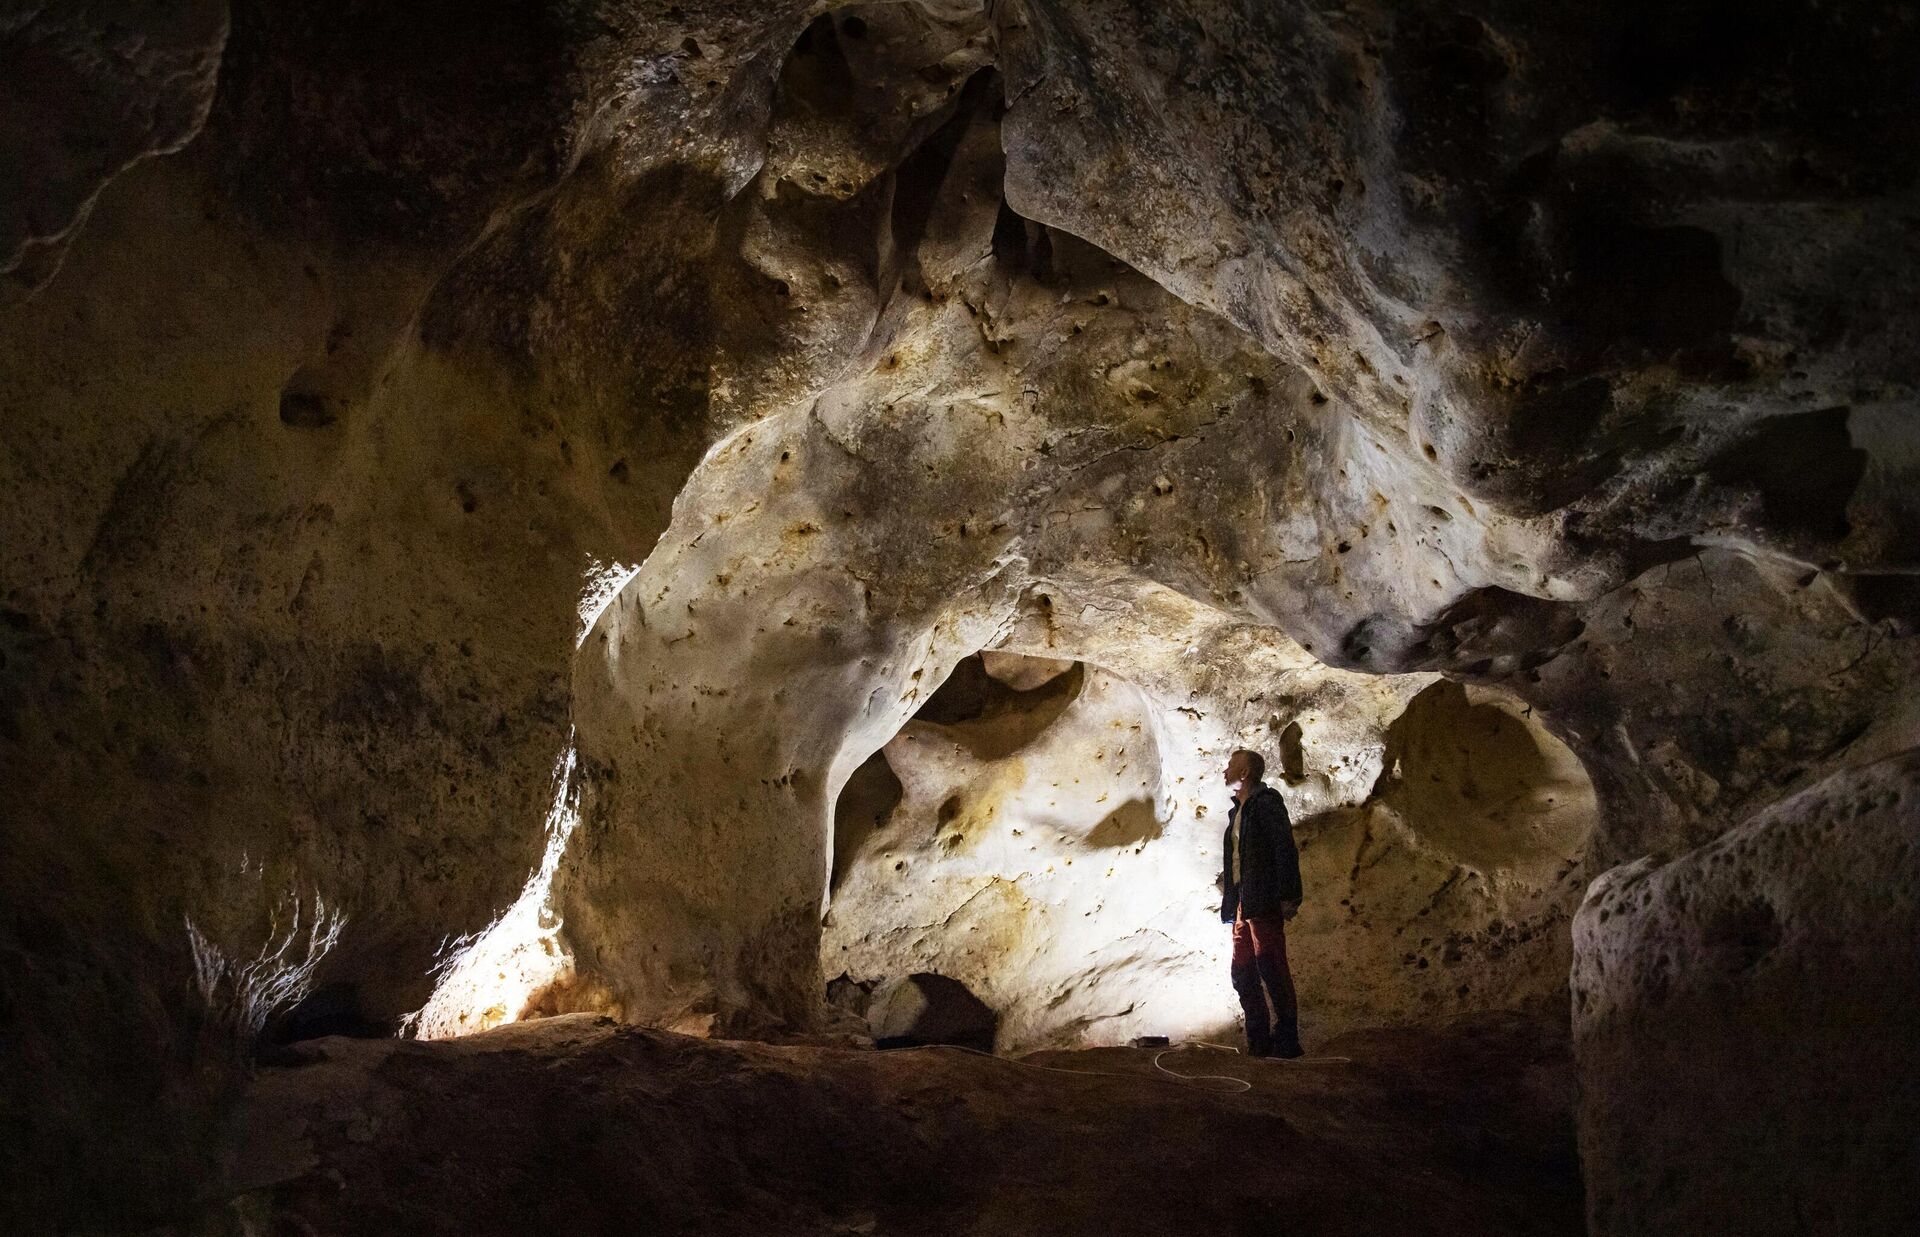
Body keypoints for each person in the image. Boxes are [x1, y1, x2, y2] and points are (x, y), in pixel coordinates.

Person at [1220, 747, 1304, 1058]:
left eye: (1231, 765)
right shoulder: (1237, 813)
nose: (1225, 770)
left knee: (1272, 966)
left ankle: (1286, 1041)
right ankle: (1259, 1041)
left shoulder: (1267, 804)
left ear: (1245, 773)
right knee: (1242, 971)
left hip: (1264, 899)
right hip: (1245, 900)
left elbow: (1284, 848)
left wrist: (1289, 894)